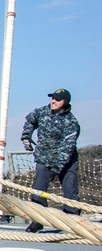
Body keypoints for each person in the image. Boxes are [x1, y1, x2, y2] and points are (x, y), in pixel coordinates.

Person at [20, 88, 81, 233]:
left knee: (70, 190)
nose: (53, 101)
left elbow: (67, 148)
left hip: (66, 162)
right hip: (44, 159)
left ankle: (72, 222)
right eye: (52, 98)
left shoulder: (71, 122)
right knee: (38, 189)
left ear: (65, 102)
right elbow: (30, 120)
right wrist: (26, 136)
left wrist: (56, 169)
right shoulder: (42, 112)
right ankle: (38, 219)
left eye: (57, 99)